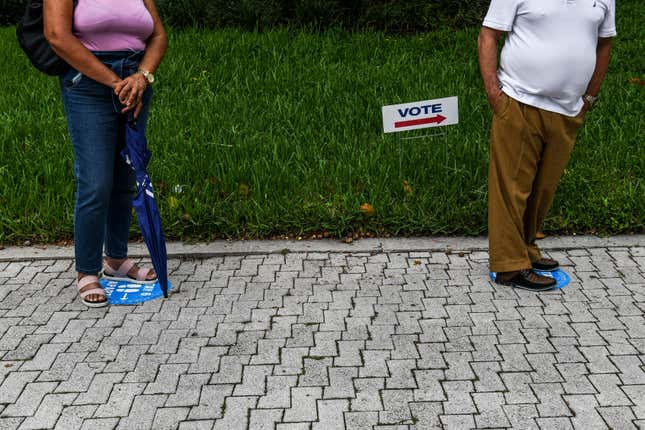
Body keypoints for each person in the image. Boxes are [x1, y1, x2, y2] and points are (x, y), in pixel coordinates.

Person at [478, 0, 615, 291]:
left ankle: (525, 249)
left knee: (542, 189)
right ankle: (509, 267)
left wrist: (589, 98)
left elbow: (604, 44)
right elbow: (489, 35)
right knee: (511, 188)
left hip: (568, 109)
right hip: (519, 101)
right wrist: (494, 94)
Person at [44, 0, 167, 306]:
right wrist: (115, 82)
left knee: (126, 177)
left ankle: (116, 259)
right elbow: (56, 35)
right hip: (87, 83)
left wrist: (142, 77)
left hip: (135, 82)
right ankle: (87, 270)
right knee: (96, 180)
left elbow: (158, 36)